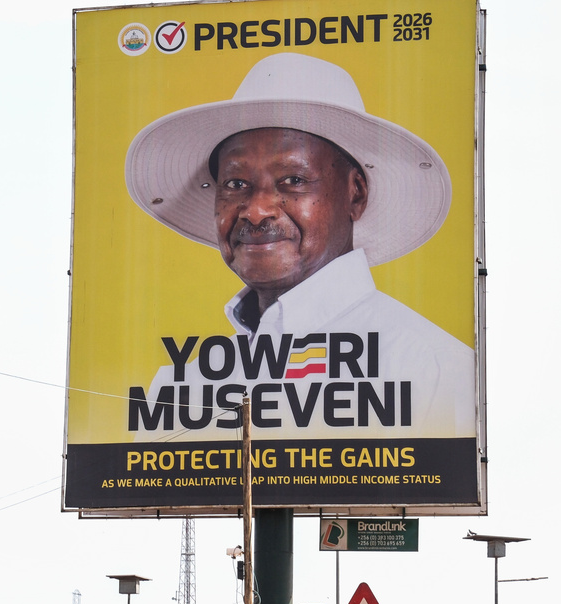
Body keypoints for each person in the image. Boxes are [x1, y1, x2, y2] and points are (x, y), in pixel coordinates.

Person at [125, 52, 475, 440]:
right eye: (236, 184)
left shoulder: (432, 367)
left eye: (293, 179)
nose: (256, 212)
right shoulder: (179, 389)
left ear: (354, 193)